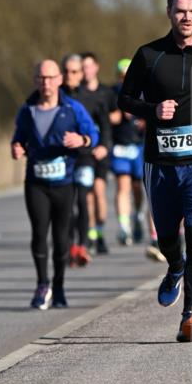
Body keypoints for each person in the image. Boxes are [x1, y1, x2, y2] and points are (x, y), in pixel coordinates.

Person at [118, 0, 192, 342]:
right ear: (169, 12)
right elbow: (124, 99)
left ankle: (190, 315)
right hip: (161, 162)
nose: (187, 17)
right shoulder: (149, 55)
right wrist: (153, 110)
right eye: (180, 10)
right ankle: (175, 266)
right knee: (169, 237)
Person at [11, 59, 98, 308]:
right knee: (39, 233)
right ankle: (42, 284)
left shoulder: (72, 108)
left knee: (61, 239)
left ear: (60, 80)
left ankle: (59, 286)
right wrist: (16, 148)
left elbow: (94, 134)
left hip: (64, 183)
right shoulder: (27, 110)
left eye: (50, 78)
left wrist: (81, 140)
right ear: (35, 80)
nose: (46, 83)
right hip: (36, 182)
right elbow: (18, 138)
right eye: (41, 78)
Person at [81, 52, 118, 254]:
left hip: (102, 148)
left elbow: (117, 115)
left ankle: (101, 232)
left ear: (96, 67)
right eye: (82, 67)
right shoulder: (75, 93)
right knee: (86, 196)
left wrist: (109, 118)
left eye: (89, 66)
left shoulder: (106, 92)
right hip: (84, 151)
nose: (86, 71)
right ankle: (91, 234)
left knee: (99, 192)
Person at [61, 54, 94, 267]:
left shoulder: (90, 97)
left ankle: (82, 245)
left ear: (81, 74)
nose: (69, 76)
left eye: (74, 71)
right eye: (66, 71)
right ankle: (69, 245)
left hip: (85, 158)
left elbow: (101, 125)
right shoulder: (55, 97)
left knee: (82, 200)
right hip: (61, 160)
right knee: (66, 205)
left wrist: (101, 146)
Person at [110, 58, 146, 246]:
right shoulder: (113, 93)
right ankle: (124, 228)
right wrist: (116, 116)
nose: (124, 80)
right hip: (120, 146)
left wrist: (145, 121)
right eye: (121, 76)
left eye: (127, 76)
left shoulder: (142, 92)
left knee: (137, 187)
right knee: (122, 186)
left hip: (139, 145)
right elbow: (105, 116)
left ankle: (137, 215)